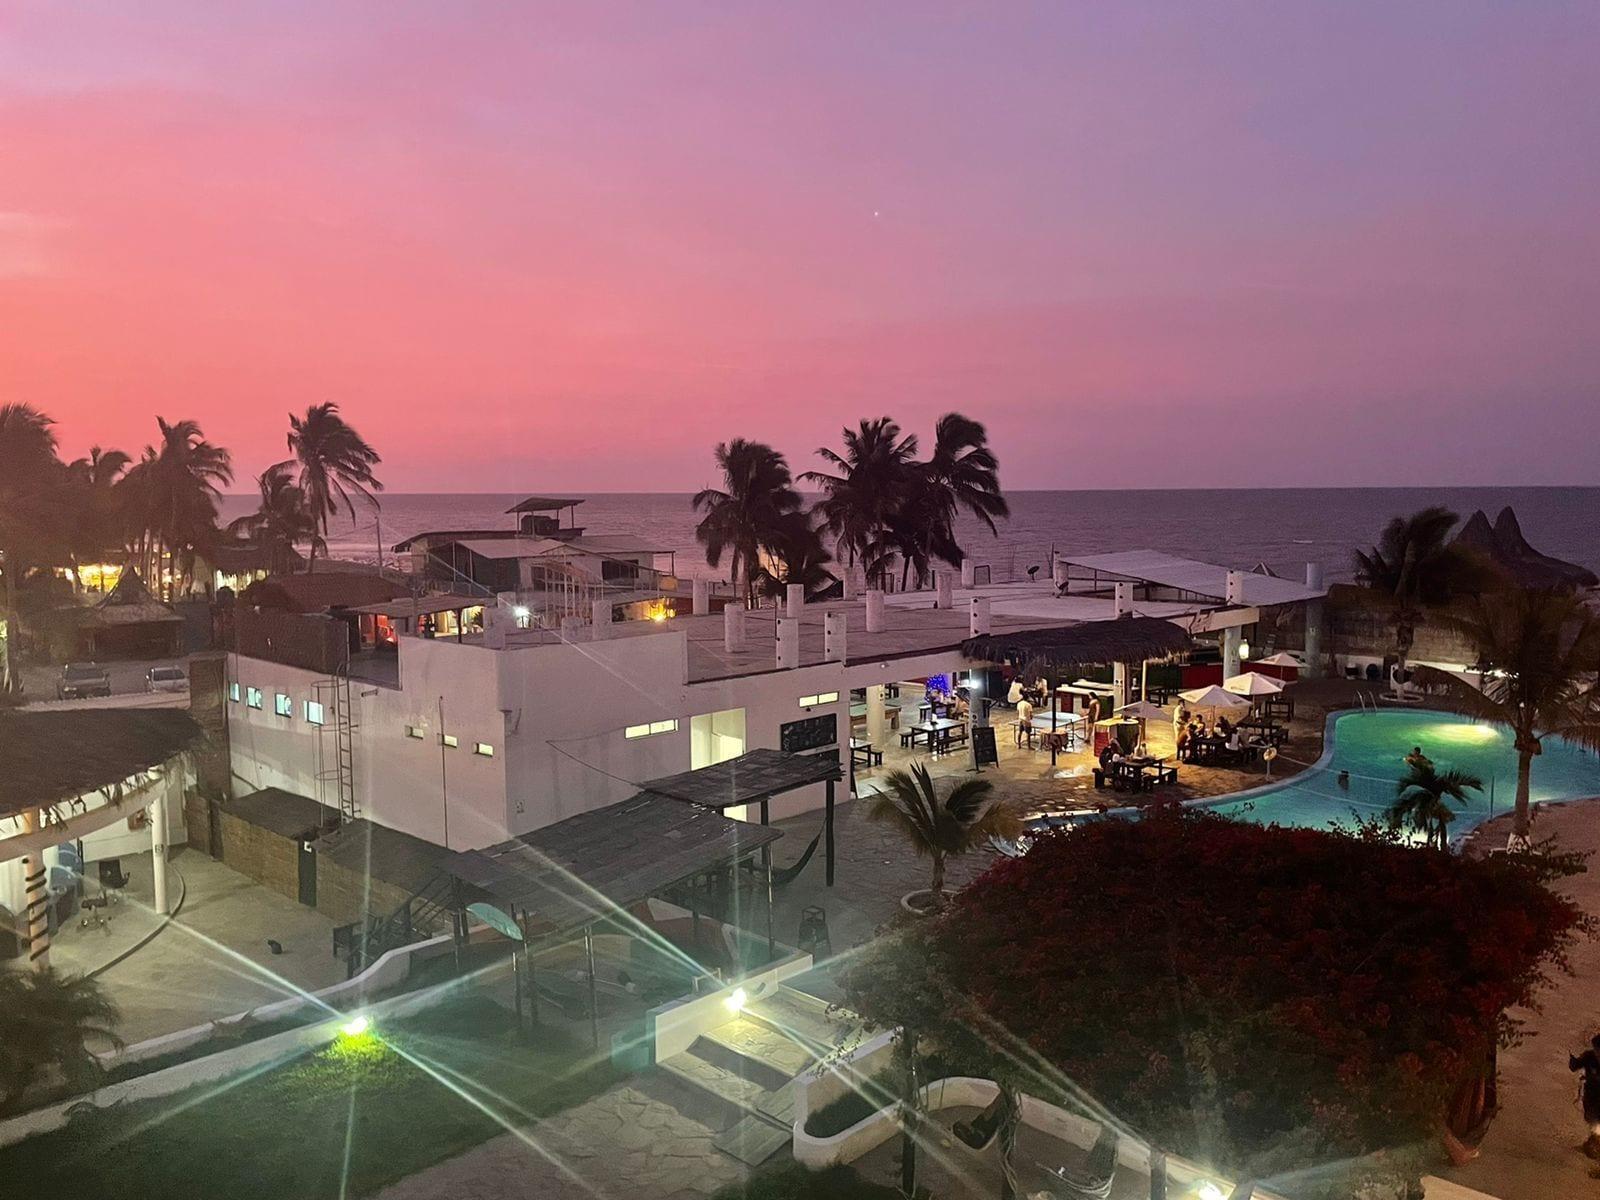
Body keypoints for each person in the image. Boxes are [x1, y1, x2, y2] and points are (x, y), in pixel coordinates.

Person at [1570, 1036, 1600, 1157]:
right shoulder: (1589, 1056)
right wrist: (1573, 1061)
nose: (1597, 1052)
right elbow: (1575, 1066)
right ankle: (1594, 1141)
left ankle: (1594, 1143)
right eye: (1596, 1049)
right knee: (1591, 1118)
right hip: (1591, 1094)